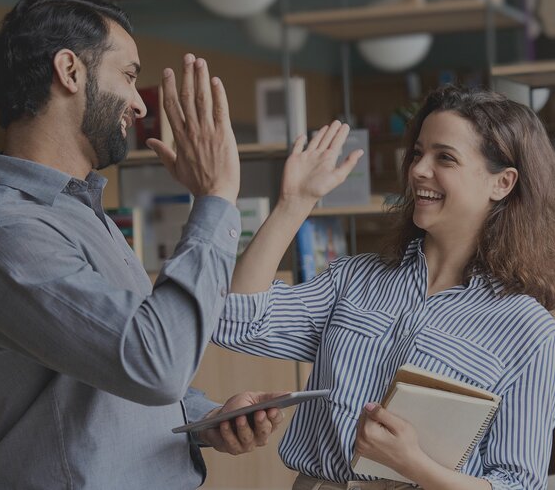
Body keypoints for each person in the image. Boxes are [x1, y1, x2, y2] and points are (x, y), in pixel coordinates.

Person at [0, 0, 286, 490]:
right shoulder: (8, 233)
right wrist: (216, 197)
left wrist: (206, 417)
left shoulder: (83, 212)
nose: (140, 102)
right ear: (70, 71)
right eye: (127, 75)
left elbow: (114, 365)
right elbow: (156, 364)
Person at [212, 86, 555, 489]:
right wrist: (294, 203)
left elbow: (518, 483)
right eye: (417, 153)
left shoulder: (526, 327)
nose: (418, 170)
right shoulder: (353, 279)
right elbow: (235, 322)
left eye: (444, 157)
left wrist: (414, 465)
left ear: (503, 183)